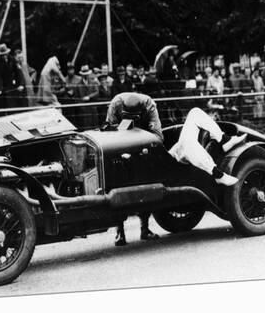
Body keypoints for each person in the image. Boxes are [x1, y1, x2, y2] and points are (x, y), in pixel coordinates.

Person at [105, 92, 246, 246]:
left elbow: (158, 138)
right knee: (120, 172)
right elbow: (110, 135)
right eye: (127, 116)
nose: (131, 119)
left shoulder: (149, 105)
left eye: (135, 117)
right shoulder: (115, 105)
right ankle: (120, 231)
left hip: (157, 158)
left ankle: (222, 141)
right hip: (131, 155)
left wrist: (136, 135)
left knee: (195, 113)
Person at [0, 43, 24, 109]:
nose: (4, 56)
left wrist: (21, 84)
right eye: (2, 55)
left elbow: (18, 72)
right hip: (2, 87)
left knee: (13, 105)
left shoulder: (12, 59)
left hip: (12, 86)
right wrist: (0, 89)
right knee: (3, 105)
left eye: (5, 54)